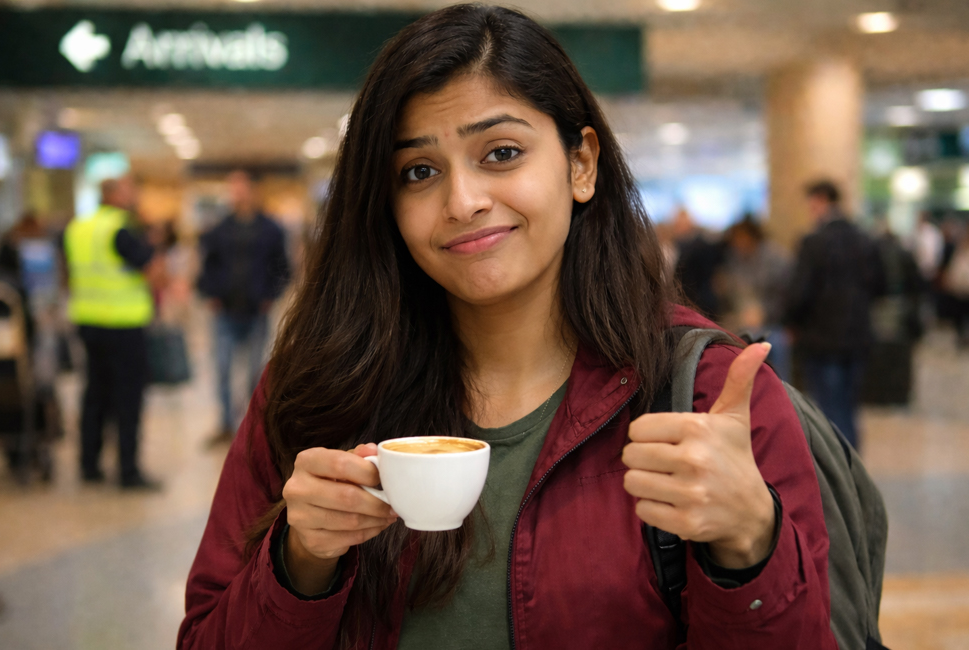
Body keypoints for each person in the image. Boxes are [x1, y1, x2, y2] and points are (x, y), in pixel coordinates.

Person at [178, 6, 834, 649]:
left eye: (501, 153)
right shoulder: (318, 392)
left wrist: (752, 544)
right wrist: (298, 562)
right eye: (420, 172)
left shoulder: (705, 399)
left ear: (581, 165)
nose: (462, 202)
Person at [63, 175, 162, 490]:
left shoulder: (78, 227)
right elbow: (155, 271)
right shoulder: (120, 228)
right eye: (129, 190)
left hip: (88, 322)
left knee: (94, 393)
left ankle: (89, 465)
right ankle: (128, 471)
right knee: (128, 398)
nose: (133, 195)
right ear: (114, 194)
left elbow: (67, 273)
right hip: (123, 324)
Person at [784, 180, 883, 450]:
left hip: (822, 337)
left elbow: (800, 291)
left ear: (819, 200)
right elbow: (880, 285)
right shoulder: (865, 239)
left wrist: (791, 322)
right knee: (849, 407)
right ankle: (854, 466)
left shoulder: (814, 242)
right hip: (858, 336)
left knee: (829, 408)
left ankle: (841, 472)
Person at [197, 171, 291, 446]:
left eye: (241, 188)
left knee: (255, 371)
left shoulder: (271, 229)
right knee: (223, 368)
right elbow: (208, 266)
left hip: (256, 311)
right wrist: (210, 292)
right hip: (225, 311)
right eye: (232, 189)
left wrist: (271, 294)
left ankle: (252, 428)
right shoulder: (219, 230)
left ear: (252, 191)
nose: (237, 194)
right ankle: (226, 423)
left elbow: (283, 267)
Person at [722, 216, 793, 382]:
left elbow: (785, 296)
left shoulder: (775, 258)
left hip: (773, 323)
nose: (739, 243)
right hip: (743, 322)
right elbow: (735, 293)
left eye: (742, 238)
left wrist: (764, 313)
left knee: (777, 352)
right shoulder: (735, 259)